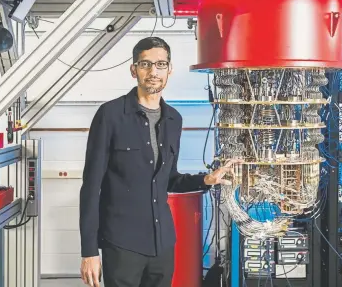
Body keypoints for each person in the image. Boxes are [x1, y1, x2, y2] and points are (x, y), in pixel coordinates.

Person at [79, 36, 233, 287]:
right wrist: (89, 251)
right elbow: (90, 187)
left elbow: (170, 179)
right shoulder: (111, 115)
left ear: (169, 70)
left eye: (161, 65)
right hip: (122, 243)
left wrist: (206, 179)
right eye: (145, 64)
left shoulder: (174, 119)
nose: (153, 72)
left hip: (162, 243)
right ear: (134, 70)